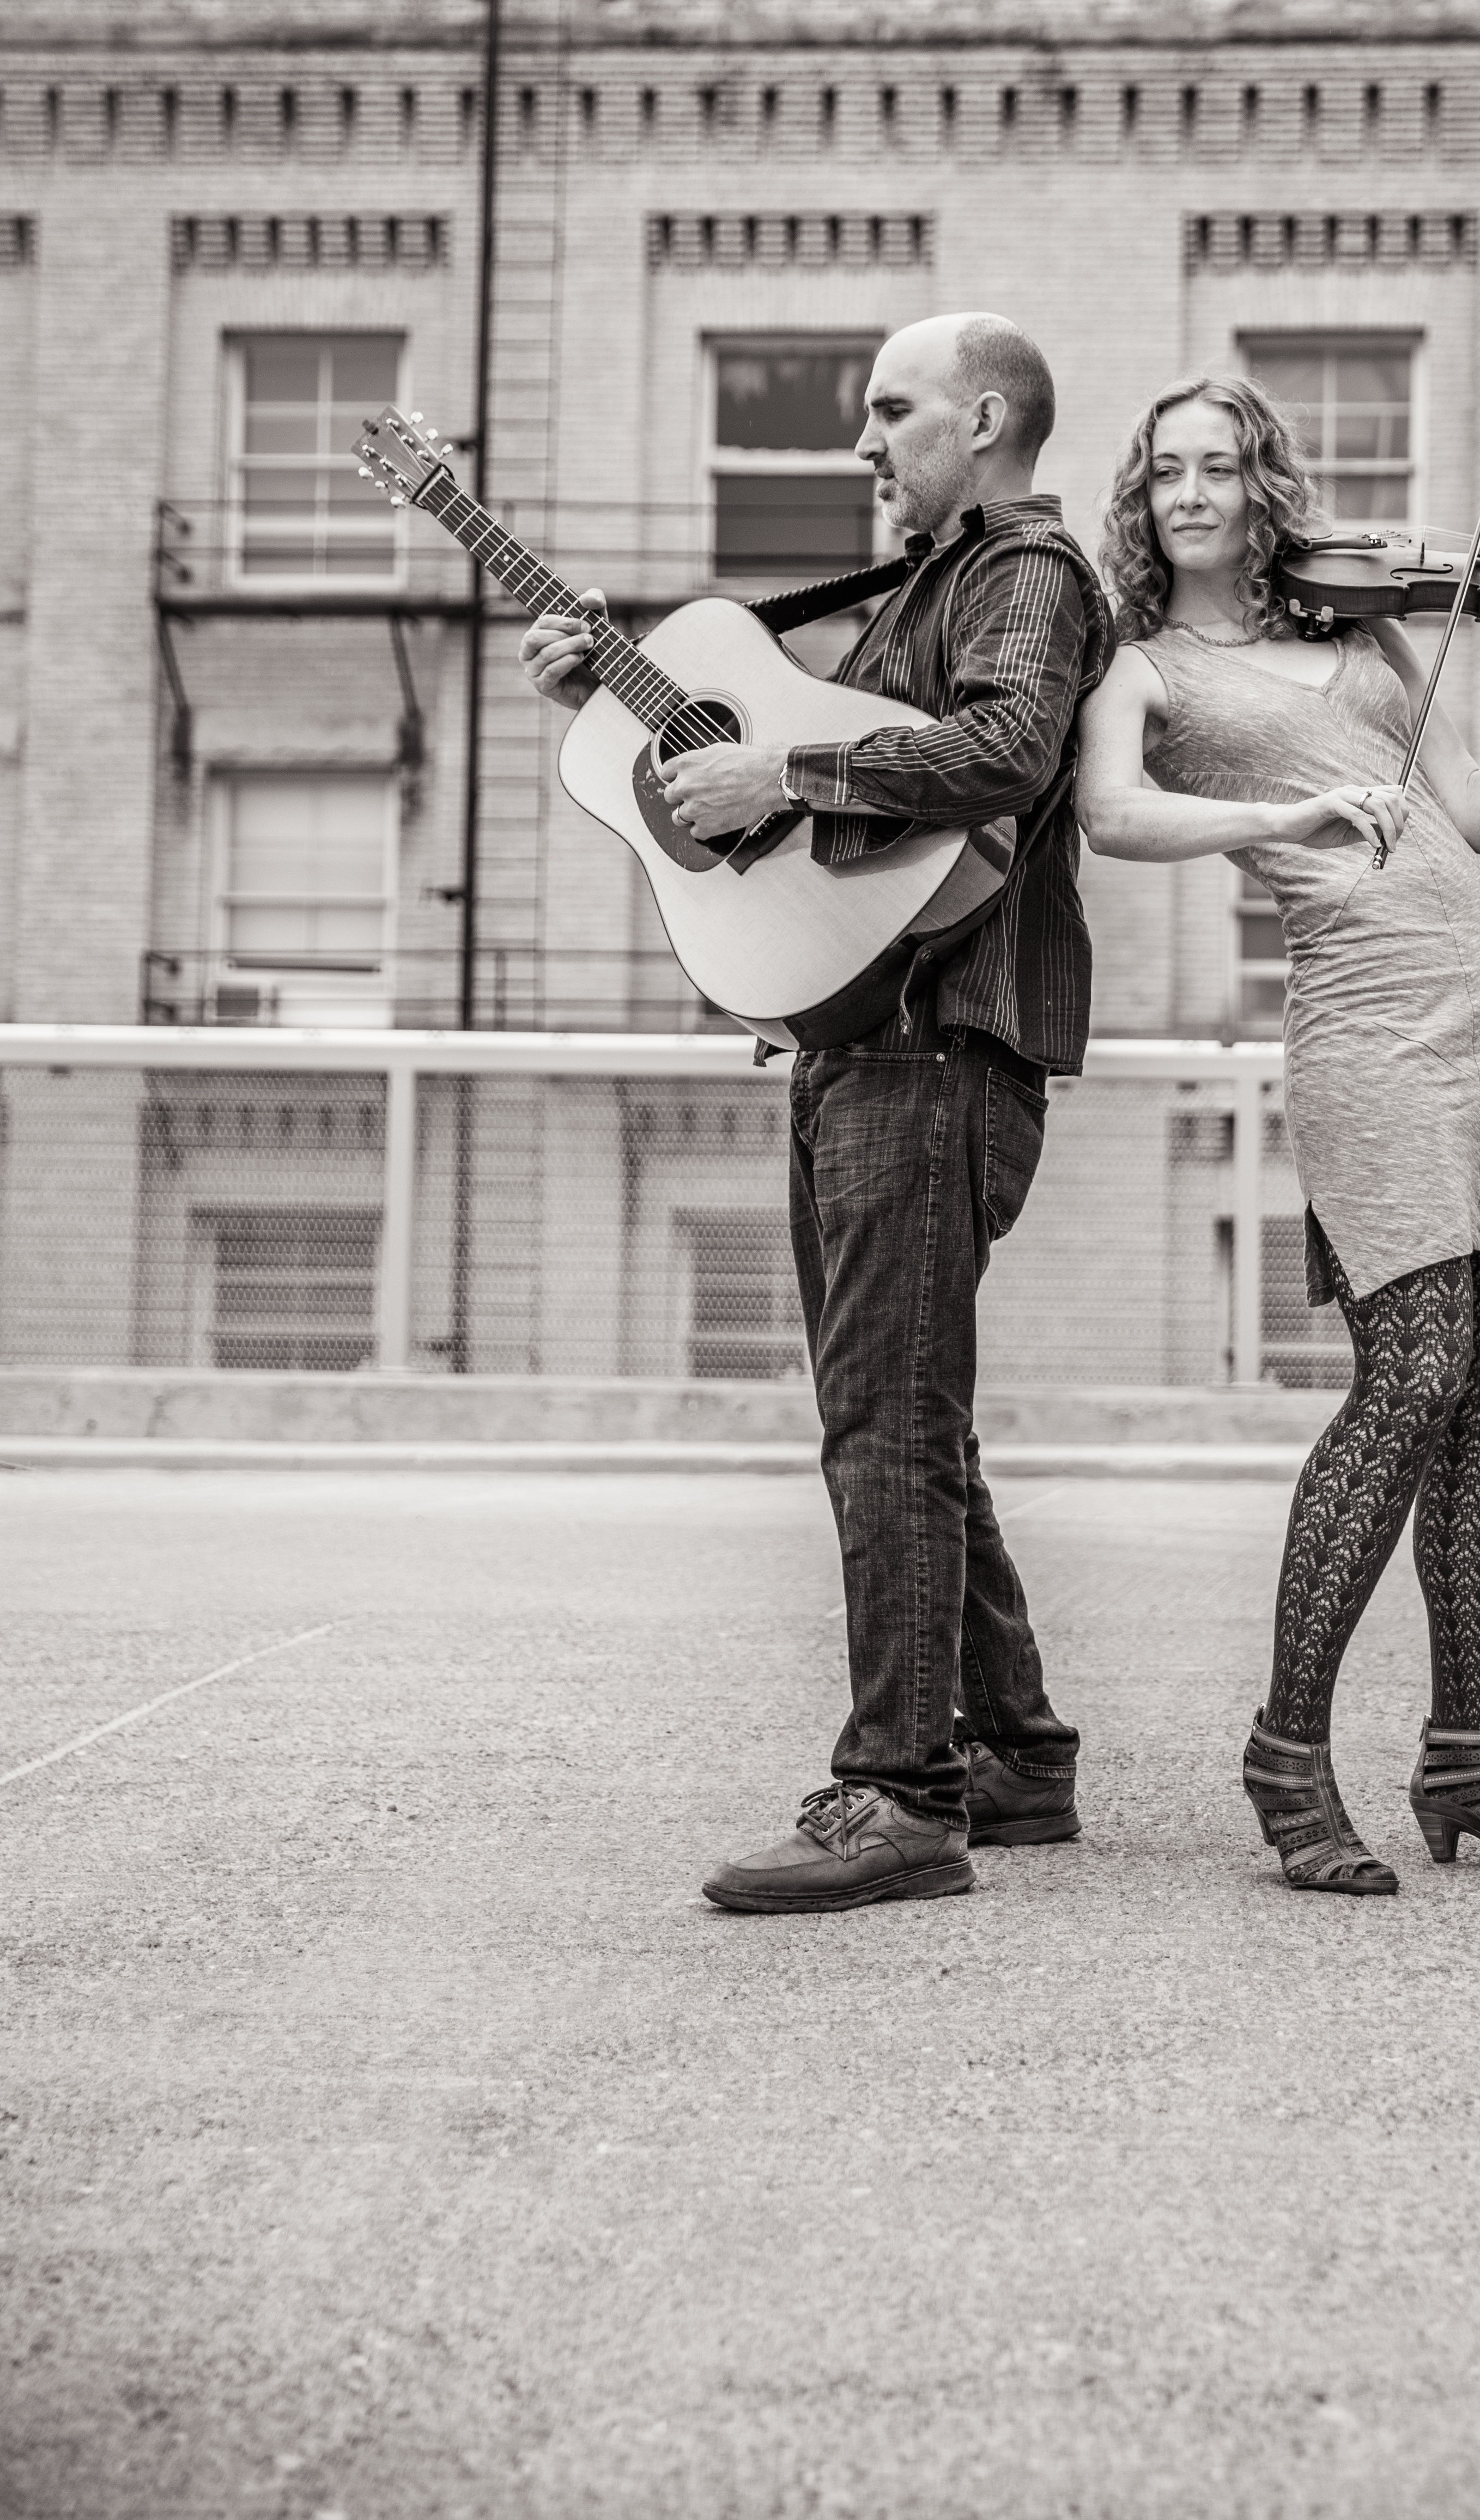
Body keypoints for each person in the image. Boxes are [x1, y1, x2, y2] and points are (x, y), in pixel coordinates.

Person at [520, 314, 1113, 1913]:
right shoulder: (916, 589)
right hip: (868, 1040)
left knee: (886, 1423)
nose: (862, 442)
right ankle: (1014, 1754)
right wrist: (623, 703)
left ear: (983, 419)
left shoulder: (1026, 575)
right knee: (907, 1411)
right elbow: (788, 804)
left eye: (890, 410)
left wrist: (785, 783)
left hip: (939, 1049)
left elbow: (1001, 750)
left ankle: (901, 1794)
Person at [1077, 373, 1480, 1896]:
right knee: (1413, 1376)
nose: (1192, 494)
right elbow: (1112, 817)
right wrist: (1276, 821)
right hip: (1365, 1031)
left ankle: (1470, 1755)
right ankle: (1289, 1748)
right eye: (1166, 476)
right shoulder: (1141, 668)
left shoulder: (1370, 629)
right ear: (1140, 506)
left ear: (1264, 484)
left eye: (1220, 467)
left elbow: (1478, 814)